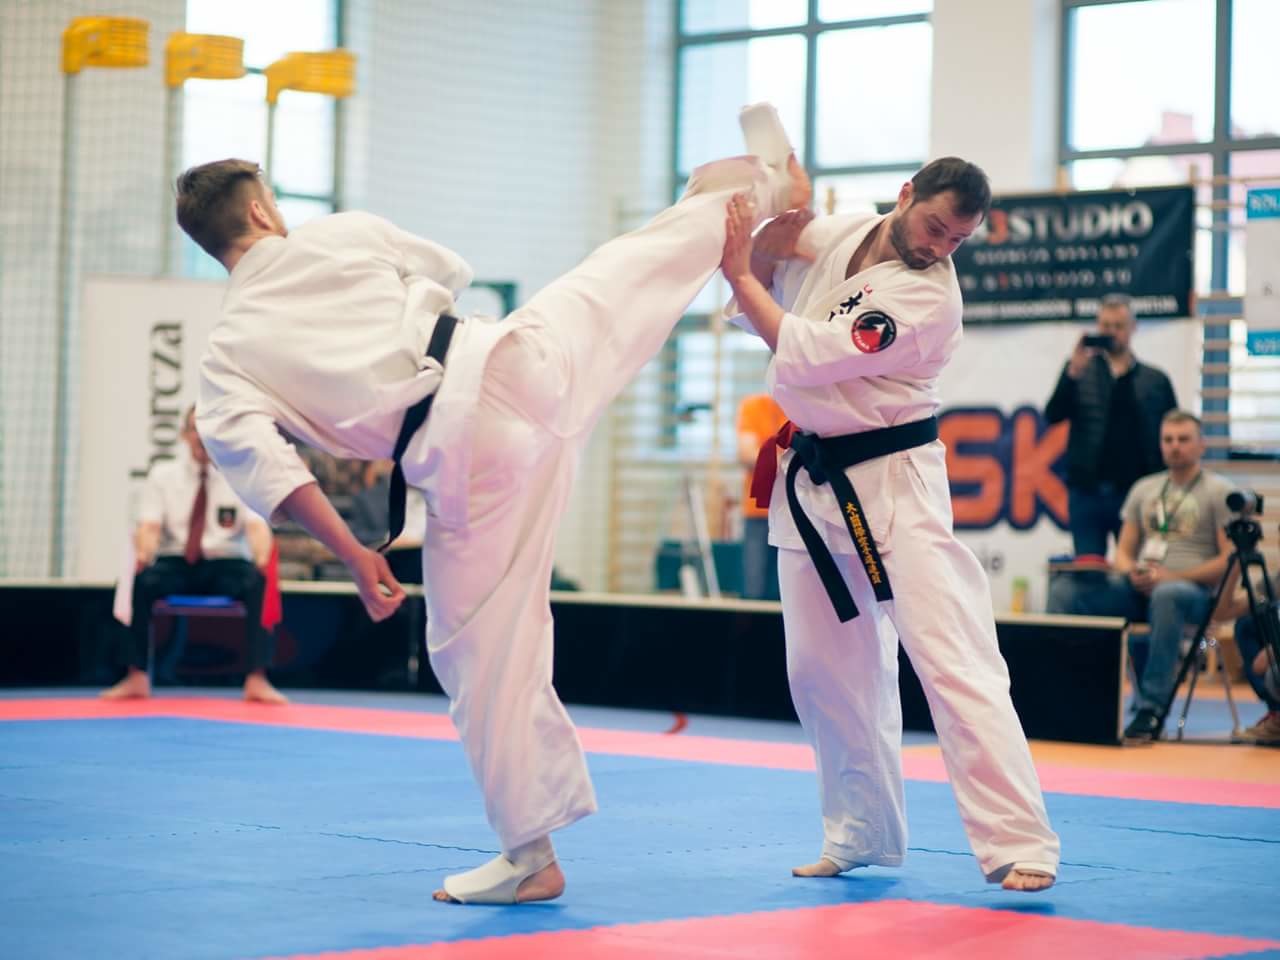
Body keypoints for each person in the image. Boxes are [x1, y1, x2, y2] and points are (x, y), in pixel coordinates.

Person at [174, 150, 809, 905]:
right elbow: (450, 269)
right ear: (259, 211)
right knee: (622, 272)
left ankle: (530, 857)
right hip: (509, 356)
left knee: (480, 653)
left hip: (467, 454)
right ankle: (758, 186)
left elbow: (274, 472)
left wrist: (355, 554)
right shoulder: (338, 234)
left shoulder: (226, 358)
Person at [721, 158, 1060, 892]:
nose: (940, 246)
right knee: (821, 667)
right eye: (935, 226)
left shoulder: (928, 300)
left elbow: (799, 350)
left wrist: (742, 272)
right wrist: (773, 228)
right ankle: (859, 832)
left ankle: (1021, 842)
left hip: (894, 481)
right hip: (814, 478)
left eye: (958, 239)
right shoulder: (849, 233)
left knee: (953, 657)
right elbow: (787, 258)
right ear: (905, 195)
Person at [1046, 411, 1232, 741]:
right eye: (1168, 440)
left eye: (1183, 439)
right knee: (1066, 591)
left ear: (1201, 445)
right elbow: (1123, 552)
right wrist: (1131, 571)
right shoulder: (1144, 489)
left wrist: (1172, 576)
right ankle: (1065, 692)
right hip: (1142, 588)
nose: (1175, 446)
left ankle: (1151, 709)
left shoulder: (1219, 491)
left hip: (1192, 594)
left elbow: (1229, 559)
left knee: (1168, 594)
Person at [102, 407, 286, 704]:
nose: (201, 436)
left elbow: (256, 526)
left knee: (259, 582)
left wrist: (262, 555)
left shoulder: (240, 475)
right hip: (176, 561)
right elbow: (149, 526)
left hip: (225, 562)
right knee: (138, 581)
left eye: (208, 428)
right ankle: (136, 675)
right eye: (195, 429)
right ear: (184, 435)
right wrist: (144, 553)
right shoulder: (162, 476)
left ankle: (257, 678)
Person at [1045, 294, 1177, 558]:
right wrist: (1072, 373)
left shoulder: (1155, 380)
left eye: (1119, 326)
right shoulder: (1080, 371)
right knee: (1088, 569)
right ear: (1097, 326)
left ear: (1133, 328)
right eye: (1106, 326)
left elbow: (1170, 432)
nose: (1112, 332)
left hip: (1137, 493)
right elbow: (1053, 415)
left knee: (1134, 568)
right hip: (1087, 492)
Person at [1213, 554, 1280, 745]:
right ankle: (1277, 713)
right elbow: (1222, 613)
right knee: (1247, 624)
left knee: (1274, 673)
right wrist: (1235, 567)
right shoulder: (1274, 582)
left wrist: (1275, 649)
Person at [737, 392, 787, 600]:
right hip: (758, 512)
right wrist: (790, 461)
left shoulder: (804, 407)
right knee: (753, 588)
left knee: (787, 591)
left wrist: (769, 458)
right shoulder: (754, 406)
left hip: (795, 514)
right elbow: (747, 455)